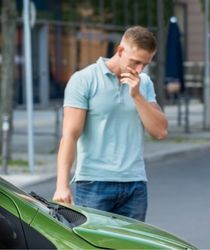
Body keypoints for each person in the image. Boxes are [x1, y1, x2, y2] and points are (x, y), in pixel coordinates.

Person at [52, 26, 168, 222]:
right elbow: (70, 135)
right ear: (121, 51)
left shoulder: (144, 83)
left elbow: (160, 131)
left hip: (135, 183)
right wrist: (62, 185)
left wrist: (137, 96)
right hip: (94, 183)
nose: (139, 69)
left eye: (145, 64)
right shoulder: (84, 80)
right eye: (135, 62)